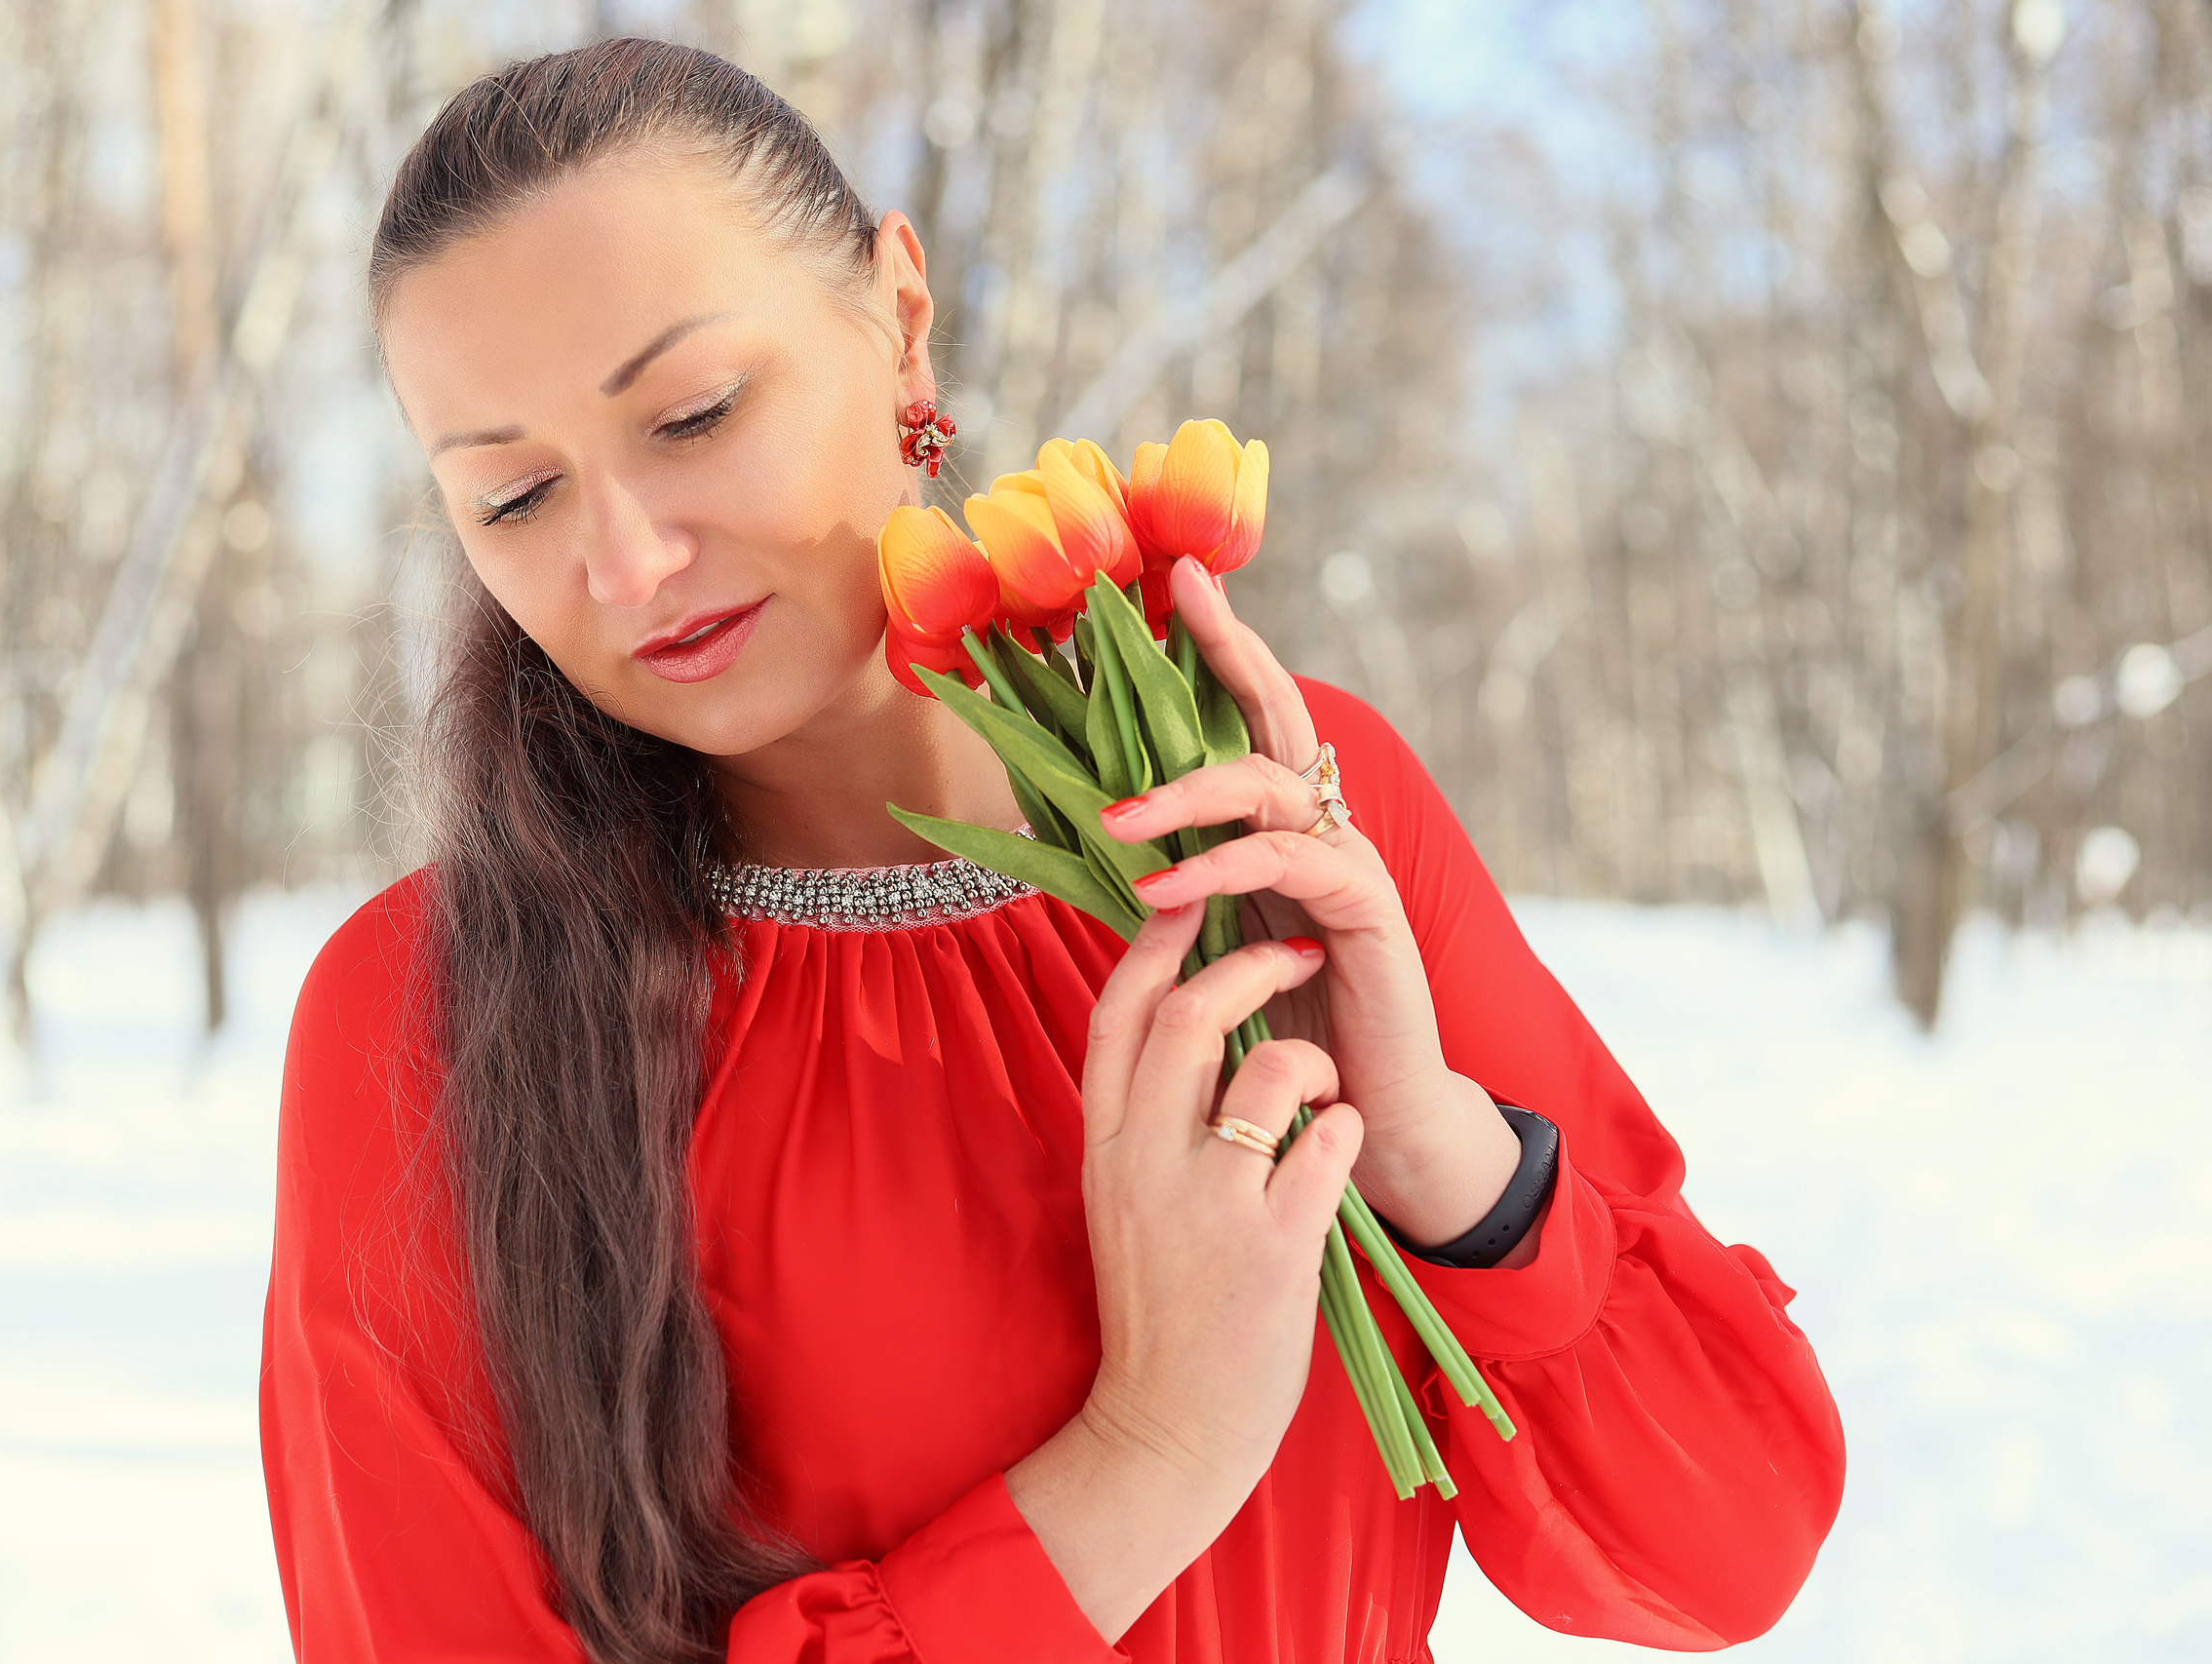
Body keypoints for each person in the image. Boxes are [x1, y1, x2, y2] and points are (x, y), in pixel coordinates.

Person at [259, 36, 1843, 1664]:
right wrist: (1148, 1462)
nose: (630, 559)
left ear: (898, 317)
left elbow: (1719, 1552)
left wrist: (1446, 1159)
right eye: (514, 500)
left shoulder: (1285, 812)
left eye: (695, 413)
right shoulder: (425, 1020)